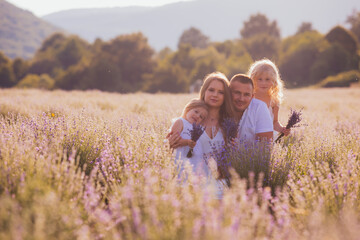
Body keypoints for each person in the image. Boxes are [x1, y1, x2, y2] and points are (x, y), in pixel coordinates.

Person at [168, 72, 235, 199]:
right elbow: (172, 148)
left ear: (225, 96)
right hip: (190, 183)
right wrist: (172, 142)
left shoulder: (228, 124)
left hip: (218, 183)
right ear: (204, 91)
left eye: (220, 92)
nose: (215, 95)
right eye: (211, 90)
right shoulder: (191, 118)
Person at [247, 59, 290, 137]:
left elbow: (274, 122)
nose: (263, 83)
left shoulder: (274, 100)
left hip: (267, 136)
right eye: (259, 79)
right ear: (253, 79)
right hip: (249, 134)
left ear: (274, 80)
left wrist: (282, 129)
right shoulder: (249, 97)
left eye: (267, 79)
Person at [168, 98, 209, 177]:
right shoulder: (180, 122)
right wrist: (186, 142)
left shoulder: (197, 129)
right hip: (180, 157)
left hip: (193, 162)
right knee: (181, 175)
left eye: (201, 117)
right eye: (196, 111)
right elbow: (173, 140)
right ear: (188, 109)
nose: (197, 116)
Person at [229, 73, 273, 142]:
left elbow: (265, 147)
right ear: (228, 93)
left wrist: (240, 150)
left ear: (252, 96)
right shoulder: (219, 107)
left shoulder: (260, 108)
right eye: (237, 93)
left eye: (246, 95)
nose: (241, 99)